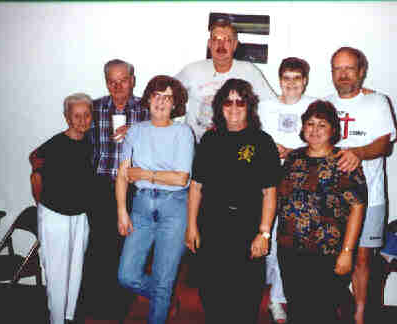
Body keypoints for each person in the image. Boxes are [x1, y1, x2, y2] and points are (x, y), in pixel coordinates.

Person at [29, 59, 149, 321]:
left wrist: (138, 132)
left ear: (132, 80)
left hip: (132, 189)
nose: (117, 86)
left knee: (125, 252)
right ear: (106, 82)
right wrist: (39, 183)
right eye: (112, 81)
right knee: (95, 252)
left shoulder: (146, 109)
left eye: (123, 80)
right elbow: (66, 143)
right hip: (98, 188)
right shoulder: (94, 108)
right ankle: (90, 311)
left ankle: (118, 311)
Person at [185, 78, 281, 324]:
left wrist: (264, 234)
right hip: (212, 227)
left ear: (249, 106)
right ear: (220, 107)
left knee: (245, 299)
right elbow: (196, 187)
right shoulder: (209, 140)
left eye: (241, 102)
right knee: (212, 295)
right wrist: (192, 226)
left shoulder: (263, 142)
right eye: (228, 102)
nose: (235, 107)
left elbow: (270, 192)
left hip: (247, 229)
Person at [276, 100, 367, 324]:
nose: (314, 130)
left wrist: (347, 251)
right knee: (297, 309)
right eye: (310, 124)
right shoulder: (293, 158)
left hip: (327, 251)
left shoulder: (343, 161)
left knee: (322, 312)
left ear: (333, 130)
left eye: (322, 125)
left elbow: (357, 206)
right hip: (290, 248)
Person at [326, 47, 397, 324]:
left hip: (369, 196)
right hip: (331, 199)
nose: (343, 75)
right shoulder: (325, 103)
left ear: (361, 71)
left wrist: (358, 153)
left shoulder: (377, 101)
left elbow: (384, 144)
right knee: (329, 260)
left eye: (349, 68)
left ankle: (359, 317)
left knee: (362, 260)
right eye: (337, 69)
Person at [116, 75, 194, 324]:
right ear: (148, 99)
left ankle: (162, 298)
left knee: (163, 279)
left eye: (167, 97)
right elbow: (123, 175)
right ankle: (164, 298)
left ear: (175, 103)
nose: (161, 102)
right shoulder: (135, 132)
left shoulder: (183, 132)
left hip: (175, 208)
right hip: (140, 207)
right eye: (157, 96)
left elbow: (181, 179)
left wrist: (145, 174)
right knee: (126, 275)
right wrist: (121, 211)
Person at [258, 57, 317, 323]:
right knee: (265, 237)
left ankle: (277, 300)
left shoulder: (314, 107)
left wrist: (292, 152)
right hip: (267, 182)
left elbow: (323, 144)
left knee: (287, 242)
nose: (291, 83)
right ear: (279, 80)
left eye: (297, 78)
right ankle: (264, 293)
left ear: (304, 80)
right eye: (286, 78)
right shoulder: (265, 107)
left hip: (301, 184)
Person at [30, 93, 94, 324]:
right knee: (57, 272)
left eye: (87, 115)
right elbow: (34, 162)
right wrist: (41, 203)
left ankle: (68, 317)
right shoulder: (56, 143)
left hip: (79, 216)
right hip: (55, 214)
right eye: (76, 116)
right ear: (67, 117)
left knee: (75, 270)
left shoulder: (89, 142)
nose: (82, 120)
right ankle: (56, 320)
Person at [175, 18, 276, 142]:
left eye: (227, 40)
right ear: (209, 44)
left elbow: (271, 104)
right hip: (196, 144)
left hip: (237, 143)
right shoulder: (192, 70)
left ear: (235, 45)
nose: (221, 45)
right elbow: (168, 95)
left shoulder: (249, 71)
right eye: (216, 39)